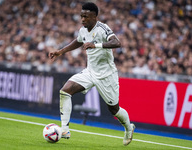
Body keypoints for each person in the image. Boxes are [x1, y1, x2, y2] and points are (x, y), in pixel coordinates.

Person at [49, 2, 135, 146]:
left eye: (86, 17)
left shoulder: (103, 28)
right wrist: (61, 51)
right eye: (82, 16)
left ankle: (128, 127)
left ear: (95, 16)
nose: (83, 19)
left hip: (106, 75)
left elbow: (117, 42)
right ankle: (64, 129)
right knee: (65, 91)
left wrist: (96, 45)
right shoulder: (83, 30)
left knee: (114, 109)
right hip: (90, 71)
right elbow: (78, 41)